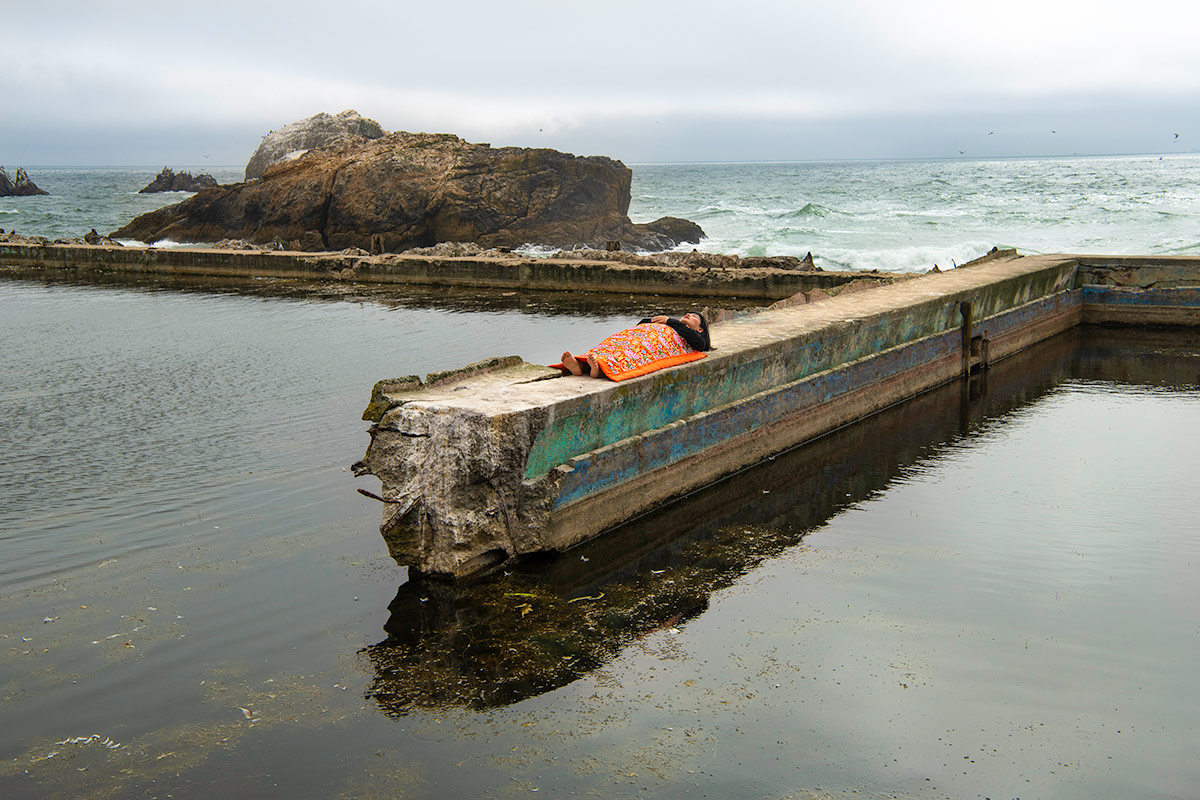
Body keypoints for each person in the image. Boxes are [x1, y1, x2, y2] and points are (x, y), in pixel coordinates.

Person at [561, 311, 710, 379]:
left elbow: (700, 344)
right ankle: (581, 366)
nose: (689, 315)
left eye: (695, 316)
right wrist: (659, 322)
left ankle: (598, 370)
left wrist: (670, 321)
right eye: (688, 313)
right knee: (616, 344)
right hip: (638, 336)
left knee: (630, 354)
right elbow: (641, 323)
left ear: (700, 329)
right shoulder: (671, 323)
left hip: (653, 343)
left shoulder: (692, 337)